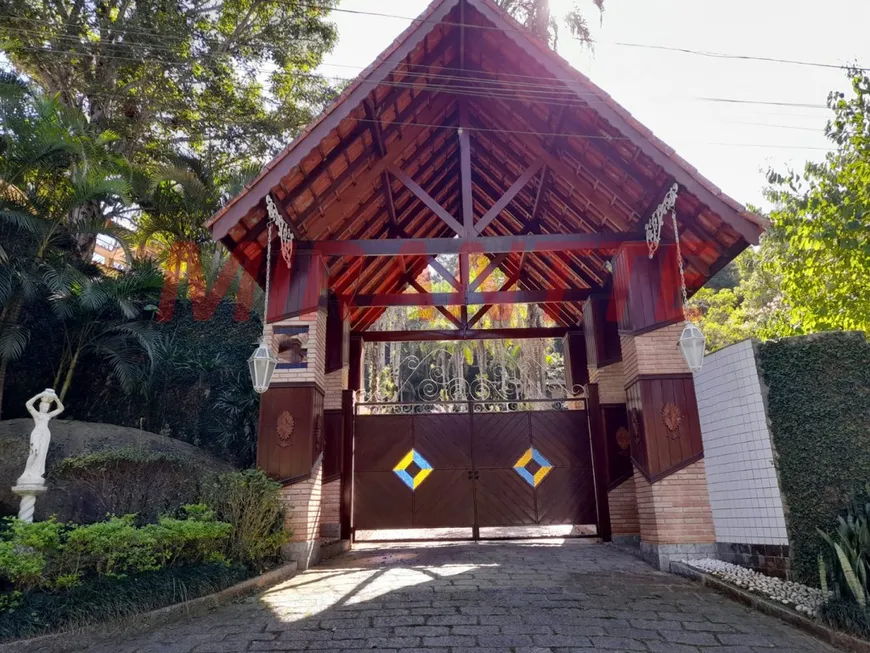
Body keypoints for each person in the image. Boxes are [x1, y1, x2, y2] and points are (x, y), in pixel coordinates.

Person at [17, 389, 64, 486]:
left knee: (41, 455)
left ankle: (35, 474)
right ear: (40, 406)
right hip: (36, 434)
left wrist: (56, 399)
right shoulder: (36, 414)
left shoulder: (48, 415)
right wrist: (39, 395)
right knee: (34, 452)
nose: (45, 408)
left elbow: (61, 409)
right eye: (43, 406)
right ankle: (26, 472)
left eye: (47, 407)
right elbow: (28, 404)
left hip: (46, 434)